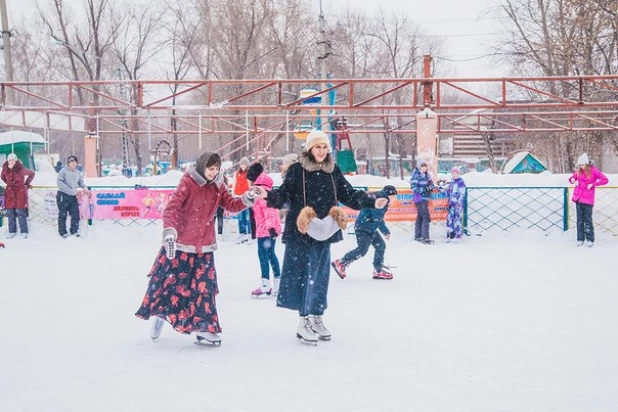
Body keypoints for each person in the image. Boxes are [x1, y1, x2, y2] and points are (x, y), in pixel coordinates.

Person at [255, 130, 388, 345]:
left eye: (325, 147)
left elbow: (349, 194)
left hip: (325, 231)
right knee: (304, 276)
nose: (322, 151)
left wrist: (373, 201)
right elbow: (285, 196)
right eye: (318, 147)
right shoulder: (297, 170)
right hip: (303, 231)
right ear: (309, 148)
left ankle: (317, 316)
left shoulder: (332, 170)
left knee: (320, 277)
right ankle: (304, 320)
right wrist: (268, 195)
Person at [135, 151, 258, 345]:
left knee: (204, 288)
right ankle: (160, 315)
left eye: (217, 169)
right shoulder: (188, 182)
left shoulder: (218, 185)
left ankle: (204, 327)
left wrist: (247, 197)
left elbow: (231, 205)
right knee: (172, 287)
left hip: (205, 246)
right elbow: (172, 209)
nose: (214, 172)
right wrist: (170, 233)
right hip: (181, 245)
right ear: (202, 167)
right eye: (211, 169)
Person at [331, 185, 398, 280]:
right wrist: (386, 232)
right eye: (394, 196)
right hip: (363, 228)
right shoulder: (380, 200)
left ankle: (378, 270)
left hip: (370, 227)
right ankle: (341, 263)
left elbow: (377, 218)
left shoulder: (382, 199)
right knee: (362, 250)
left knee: (381, 246)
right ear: (389, 195)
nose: (395, 199)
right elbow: (377, 219)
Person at [250, 171, 282, 297]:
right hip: (269, 230)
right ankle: (277, 283)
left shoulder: (262, 195)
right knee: (271, 255)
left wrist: (270, 229)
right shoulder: (268, 193)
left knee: (263, 256)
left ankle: (265, 285)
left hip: (265, 231)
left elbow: (269, 213)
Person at [568, 153, 608, 247]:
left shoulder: (594, 171)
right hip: (578, 199)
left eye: (582, 165)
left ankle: (590, 239)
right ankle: (580, 239)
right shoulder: (579, 172)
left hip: (588, 200)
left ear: (586, 164)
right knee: (579, 220)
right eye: (579, 165)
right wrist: (573, 180)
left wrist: (593, 184)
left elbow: (605, 180)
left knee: (588, 220)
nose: (580, 167)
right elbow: (571, 178)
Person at [1, 153, 35, 239]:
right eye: (9, 160)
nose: (11, 162)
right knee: (10, 213)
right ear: (7, 161)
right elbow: (2, 177)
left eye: (13, 160)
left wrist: (26, 183)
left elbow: (32, 173)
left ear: (16, 160)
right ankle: (11, 231)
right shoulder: (5, 169)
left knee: (20, 212)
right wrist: (9, 184)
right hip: (9, 192)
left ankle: (24, 231)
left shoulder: (21, 168)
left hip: (20, 192)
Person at [56, 155, 89, 238]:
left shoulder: (77, 172)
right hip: (63, 195)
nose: (73, 163)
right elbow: (59, 182)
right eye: (71, 162)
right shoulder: (63, 171)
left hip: (73, 196)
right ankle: (62, 232)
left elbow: (80, 182)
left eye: (75, 162)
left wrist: (84, 187)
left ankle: (74, 230)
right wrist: (69, 190)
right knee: (62, 214)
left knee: (75, 214)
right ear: (68, 163)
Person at [410, 160, 435, 244]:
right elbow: (414, 188)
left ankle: (418, 236)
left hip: (425, 198)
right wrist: (425, 189)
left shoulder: (427, 175)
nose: (424, 168)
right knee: (426, 217)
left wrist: (431, 185)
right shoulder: (416, 175)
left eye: (425, 166)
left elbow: (431, 184)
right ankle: (425, 237)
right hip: (419, 198)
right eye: (422, 166)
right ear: (419, 167)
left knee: (420, 217)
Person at [230, 157, 252, 243]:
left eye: (245, 164)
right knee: (240, 217)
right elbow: (234, 184)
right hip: (238, 196)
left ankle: (249, 233)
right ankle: (242, 233)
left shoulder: (250, 173)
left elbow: (250, 185)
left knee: (247, 216)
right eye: (242, 164)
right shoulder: (236, 173)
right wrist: (233, 195)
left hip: (247, 196)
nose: (243, 166)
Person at [444, 167, 466, 242]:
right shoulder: (451, 182)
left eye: (455, 173)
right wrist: (441, 188)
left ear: (458, 174)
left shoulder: (461, 182)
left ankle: (458, 235)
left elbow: (462, 194)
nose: (453, 174)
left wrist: (457, 202)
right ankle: (450, 234)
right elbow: (447, 192)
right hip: (451, 204)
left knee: (457, 220)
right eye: (452, 173)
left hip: (458, 205)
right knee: (449, 219)